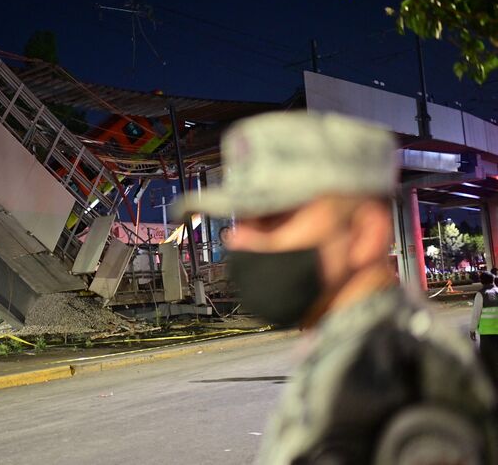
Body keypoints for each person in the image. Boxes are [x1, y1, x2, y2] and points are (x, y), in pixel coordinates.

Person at [175, 111, 498, 464]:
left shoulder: (396, 392)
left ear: (363, 232)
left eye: (272, 218)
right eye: (242, 220)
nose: (241, 242)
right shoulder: (352, 359)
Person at [471, 271, 498, 384]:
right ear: (493, 280)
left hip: (487, 332)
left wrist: (472, 330)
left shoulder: (481, 294)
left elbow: (476, 314)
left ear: (481, 281)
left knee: (488, 358)